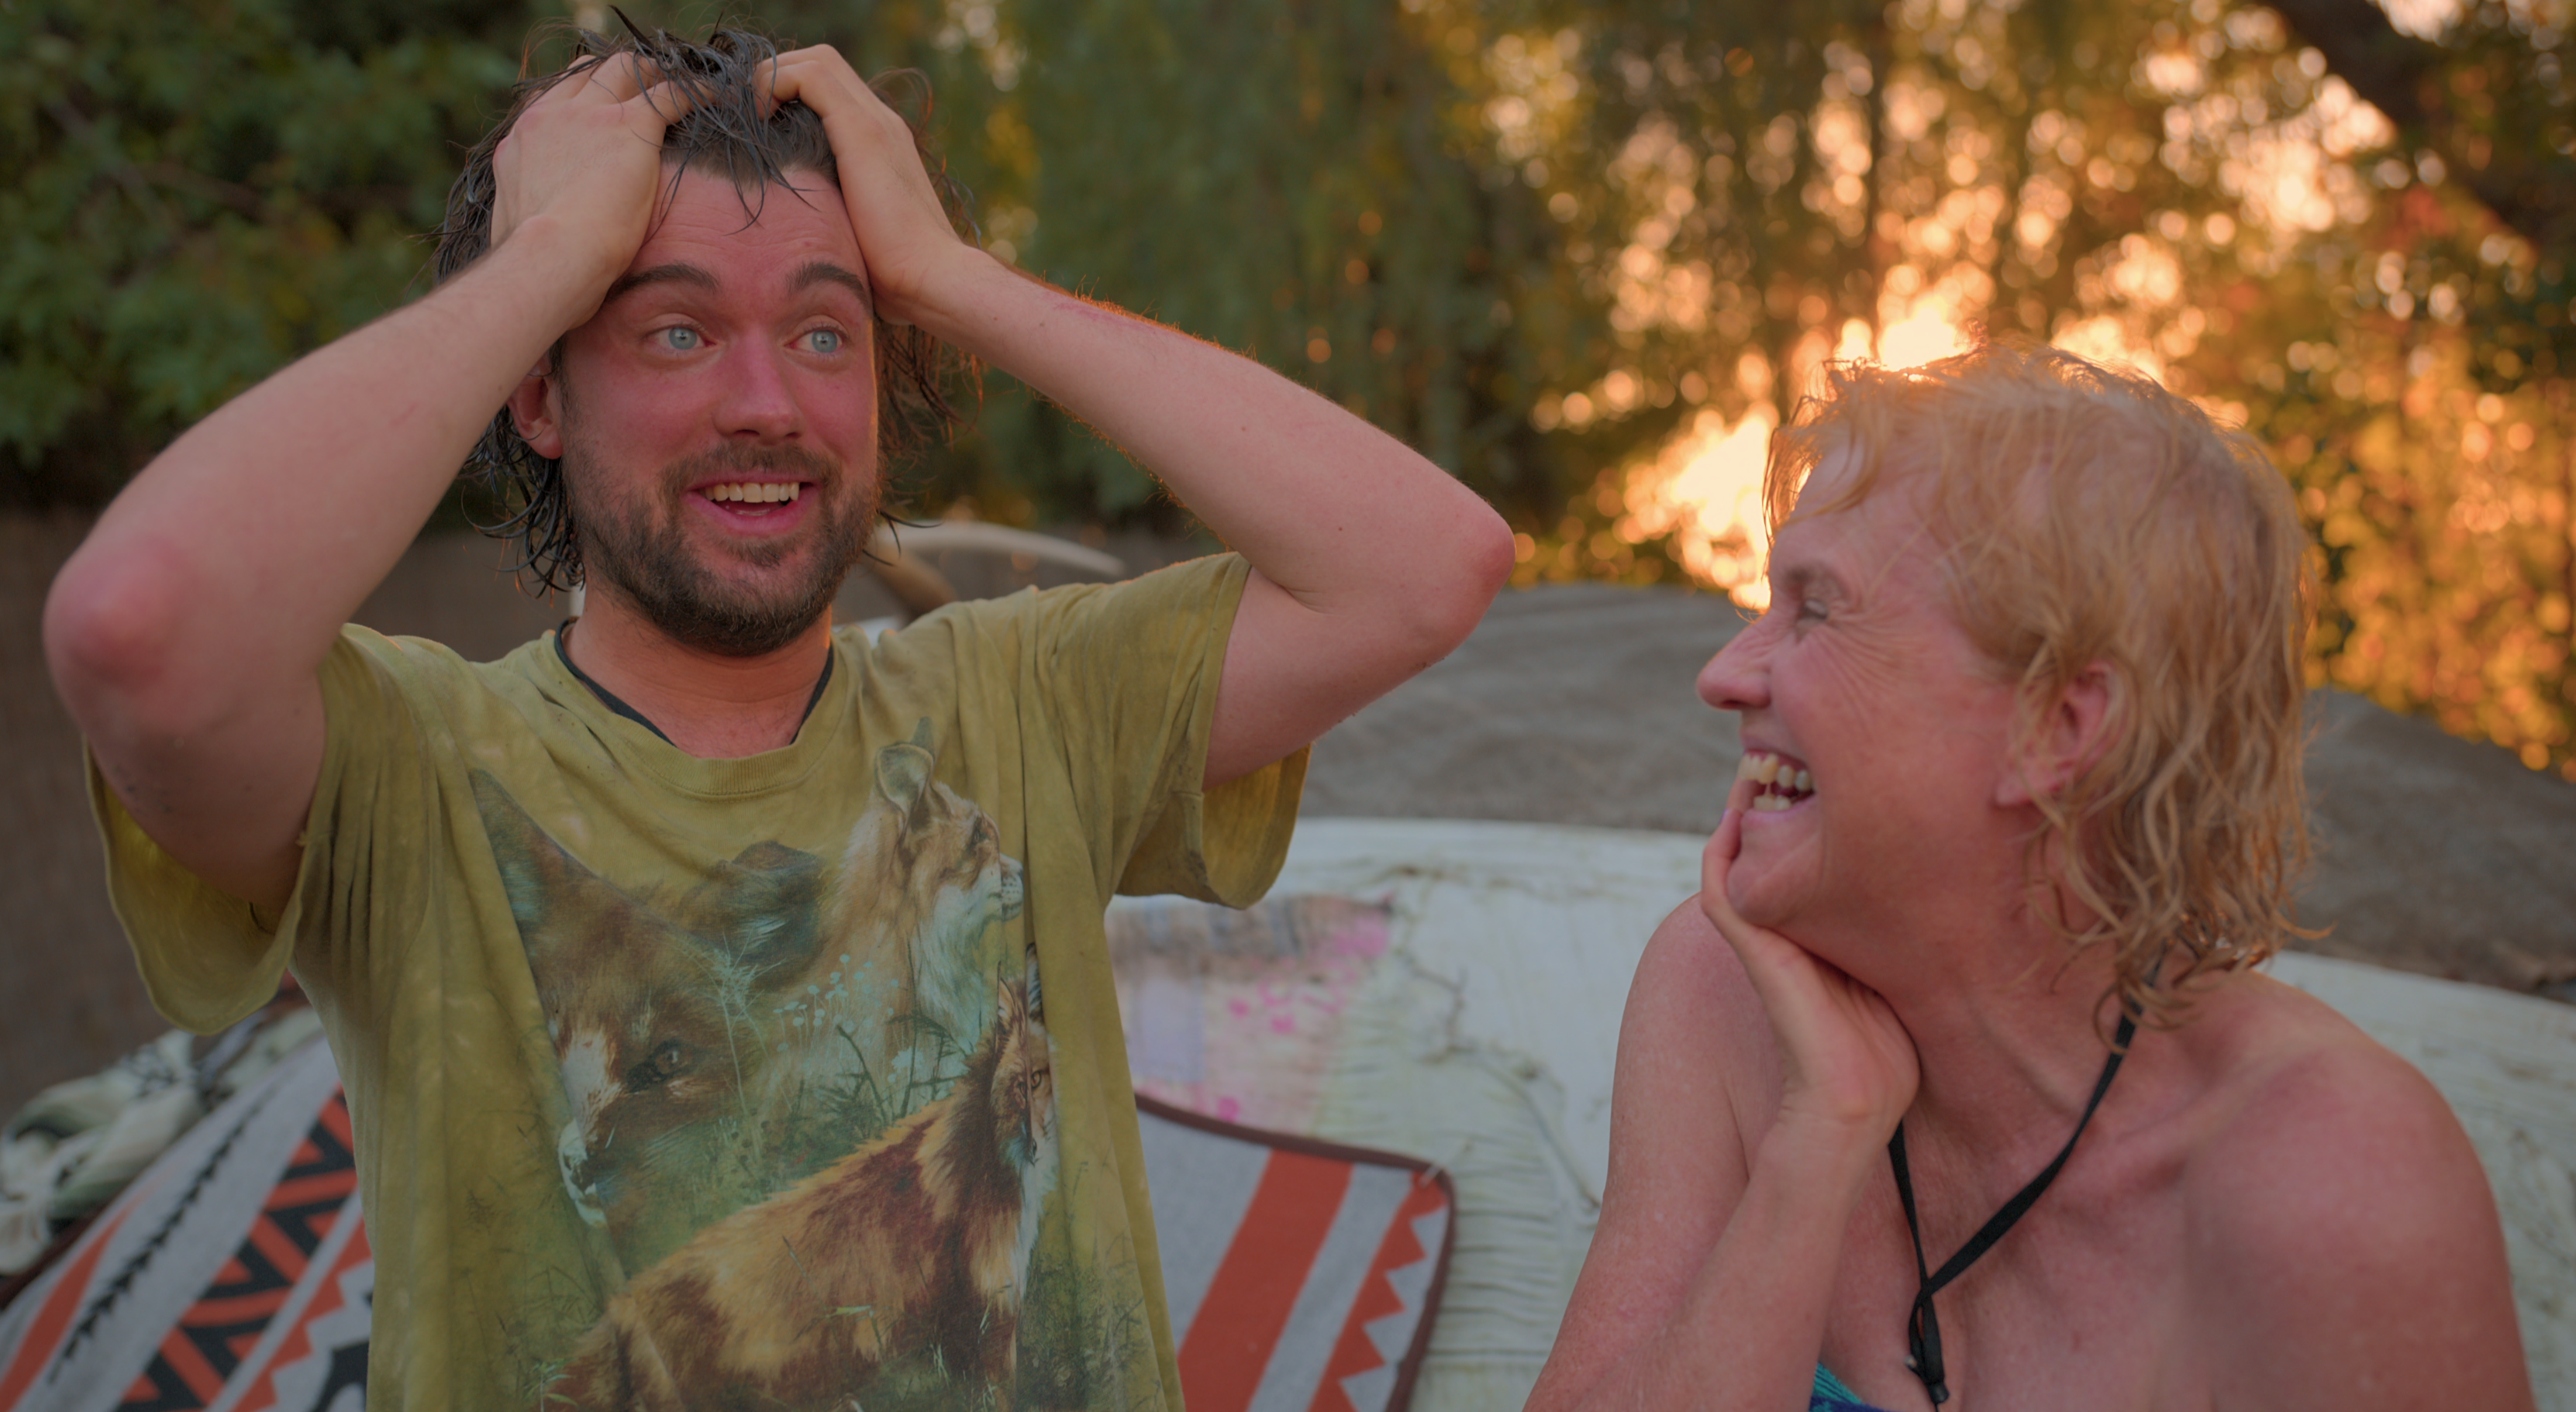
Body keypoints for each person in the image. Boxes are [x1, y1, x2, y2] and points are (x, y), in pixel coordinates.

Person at [42, 24, 1511, 1411]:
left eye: (826, 334)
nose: (769, 403)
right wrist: (545, 256)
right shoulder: (405, 765)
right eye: (674, 333)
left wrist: (944, 271)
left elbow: (1422, 567)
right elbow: (141, 631)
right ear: (539, 393)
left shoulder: (1029, 699)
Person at [1526, 343, 2534, 1412]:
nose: (1723, 672)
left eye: (1814, 610)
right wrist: (1816, 1143)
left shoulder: (2332, 1175)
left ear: (2054, 726)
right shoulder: (1720, 991)